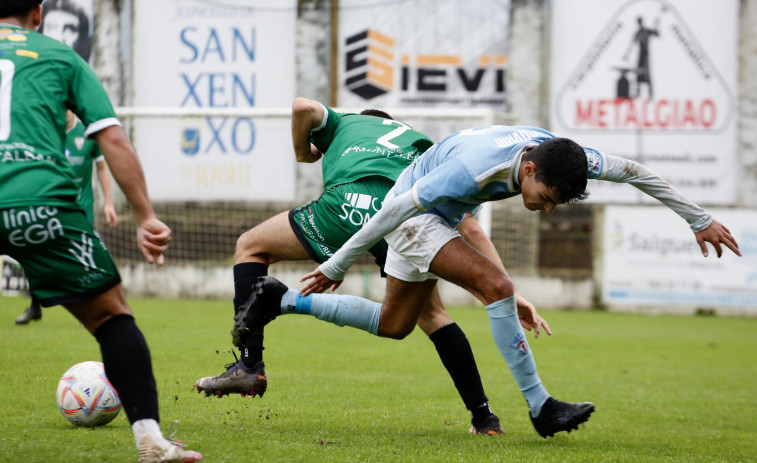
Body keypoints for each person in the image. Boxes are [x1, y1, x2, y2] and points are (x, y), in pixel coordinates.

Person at [234, 124, 741, 438]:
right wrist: (338, 264)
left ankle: (282, 301)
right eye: (546, 195)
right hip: (413, 215)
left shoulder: (567, 158)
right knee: (494, 287)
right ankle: (541, 407)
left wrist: (698, 220)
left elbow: (634, 171)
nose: (548, 207)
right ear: (529, 166)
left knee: (395, 325)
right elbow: (397, 209)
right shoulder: (471, 174)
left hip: (438, 220)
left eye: (558, 202)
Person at [193, 97, 541, 435]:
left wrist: (304, 154)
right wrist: (514, 291)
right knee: (430, 316)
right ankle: (484, 418)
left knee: (250, 245)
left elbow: (302, 107)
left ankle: (250, 364)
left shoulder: (346, 124)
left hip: (347, 206)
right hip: (410, 222)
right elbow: (471, 226)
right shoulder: (421, 145)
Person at [0, 2, 201, 462]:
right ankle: (150, 442)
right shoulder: (60, 56)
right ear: (38, 13)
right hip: (41, 204)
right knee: (111, 317)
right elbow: (113, 138)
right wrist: (145, 216)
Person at [15, 110, 119, 325]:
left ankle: (92, 311)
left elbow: (101, 167)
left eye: (68, 107)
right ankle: (35, 307)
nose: (65, 111)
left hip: (81, 207)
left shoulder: (88, 134)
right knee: (36, 252)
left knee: (86, 257)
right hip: (50, 206)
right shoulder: (47, 132)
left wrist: (108, 202)